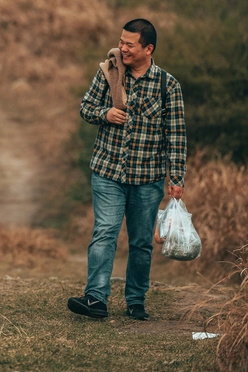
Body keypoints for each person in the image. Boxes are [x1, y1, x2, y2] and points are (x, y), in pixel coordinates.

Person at [67, 18, 186, 321]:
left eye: (129, 44)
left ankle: (136, 300)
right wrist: (104, 113)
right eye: (121, 42)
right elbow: (85, 108)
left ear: (148, 48)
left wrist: (176, 178)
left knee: (141, 241)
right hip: (107, 171)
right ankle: (96, 299)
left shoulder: (167, 85)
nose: (122, 48)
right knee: (104, 232)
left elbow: (176, 134)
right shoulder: (108, 71)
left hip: (147, 179)